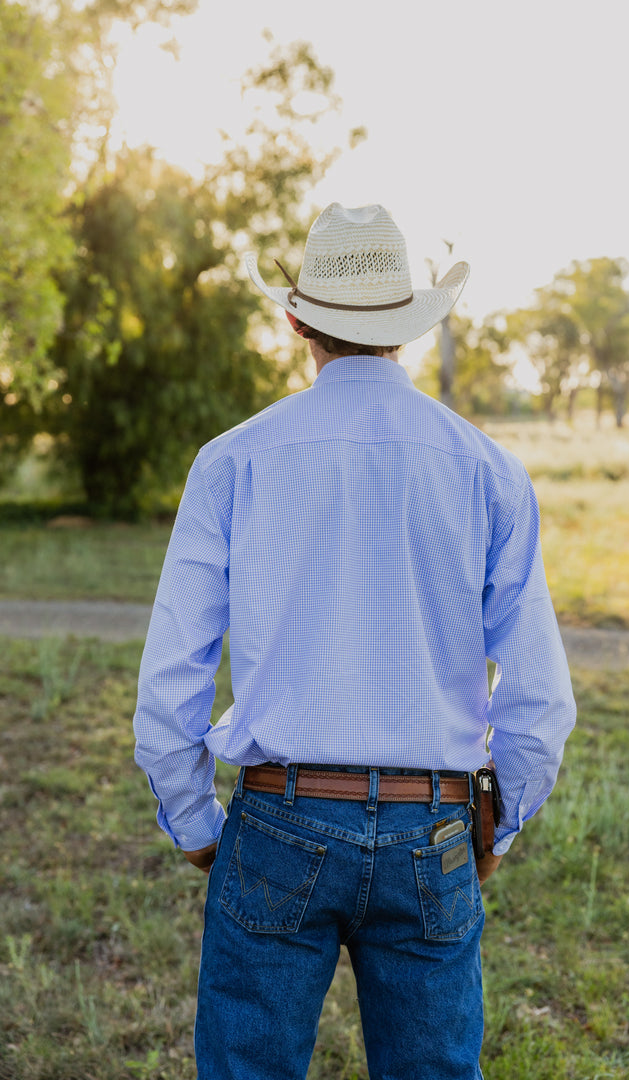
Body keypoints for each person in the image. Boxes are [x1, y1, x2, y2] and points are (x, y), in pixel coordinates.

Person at [133, 202, 576, 1080]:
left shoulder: (232, 460)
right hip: (434, 825)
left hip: (277, 815)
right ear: (409, 328)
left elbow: (170, 679)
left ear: (296, 319)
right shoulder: (487, 468)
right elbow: (539, 699)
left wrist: (192, 821)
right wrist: (495, 826)